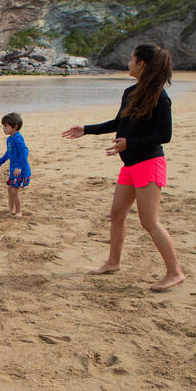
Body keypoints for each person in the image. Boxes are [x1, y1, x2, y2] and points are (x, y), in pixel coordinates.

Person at [62, 43, 185, 292]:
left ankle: (175, 272)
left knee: (149, 222)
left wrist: (130, 142)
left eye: (132, 59)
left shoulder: (160, 96)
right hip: (129, 164)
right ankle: (113, 262)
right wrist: (86, 129)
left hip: (149, 163)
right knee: (117, 214)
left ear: (142, 64)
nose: (128, 63)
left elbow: (165, 135)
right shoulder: (131, 92)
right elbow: (119, 123)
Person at [0, 111, 31, 216]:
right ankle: (11, 211)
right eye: (2, 126)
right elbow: (8, 154)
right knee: (10, 189)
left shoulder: (17, 138)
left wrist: (19, 166)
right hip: (14, 171)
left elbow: (25, 151)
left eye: (6, 126)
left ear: (15, 126)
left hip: (21, 171)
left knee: (14, 191)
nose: (4, 129)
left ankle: (19, 211)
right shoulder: (9, 139)